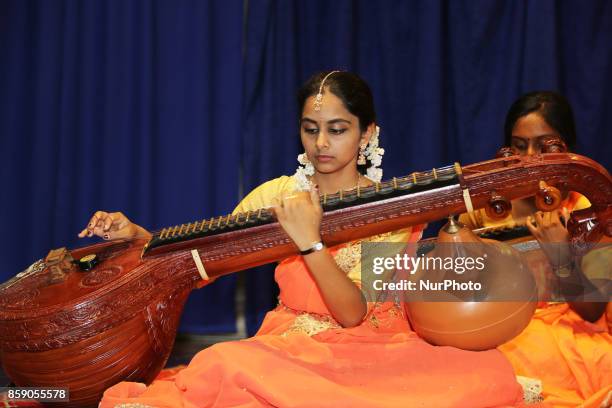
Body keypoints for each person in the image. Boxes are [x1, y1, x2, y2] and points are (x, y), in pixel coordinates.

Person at [85, 71, 527, 407]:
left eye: (338, 129)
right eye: (310, 128)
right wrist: (138, 238)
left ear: (367, 133)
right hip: (292, 344)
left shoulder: (392, 210)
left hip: (372, 351)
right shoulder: (278, 196)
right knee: (223, 364)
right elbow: (204, 259)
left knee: (484, 374)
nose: (321, 143)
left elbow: (353, 314)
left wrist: (309, 243)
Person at [462, 91, 611, 407]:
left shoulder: (587, 208)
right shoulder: (484, 208)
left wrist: (560, 255)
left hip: (570, 334)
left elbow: (593, 309)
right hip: (498, 328)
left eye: (544, 146)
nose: (530, 157)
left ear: (565, 148)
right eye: (519, 145)